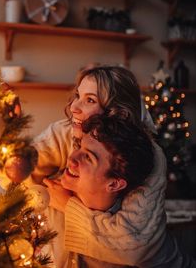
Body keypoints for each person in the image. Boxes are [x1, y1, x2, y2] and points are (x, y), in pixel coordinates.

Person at [32, 65, 167, 265]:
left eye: (90, 100)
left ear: (118, 112)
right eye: (77, 95)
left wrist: (66, 205)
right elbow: (14, 168)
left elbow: (133, 245)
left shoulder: (149, 156)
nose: (73, 108)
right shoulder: (64, 131)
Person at [44, 114, 196, 268]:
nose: (72, 158)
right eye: (79, 147)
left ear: (114, 184)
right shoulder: (51, 198)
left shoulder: (132, 238)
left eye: (89, 158)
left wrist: (67, 206)